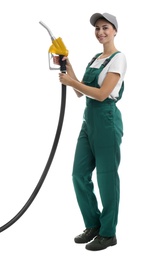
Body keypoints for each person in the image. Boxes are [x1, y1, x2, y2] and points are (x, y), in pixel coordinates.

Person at [53, 12, 127, 251]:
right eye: (97, 29)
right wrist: (68, 65)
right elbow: (80, 92)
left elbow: (102, 93)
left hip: (106, 120)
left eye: (105, 27)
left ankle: (108, 233)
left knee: (106, 178)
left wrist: (72, 82)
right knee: (78, 175)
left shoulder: (118, 58)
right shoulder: (96, 58)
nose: (101, 32)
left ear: (114, 30)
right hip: (89, 122)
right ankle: (93, 225)